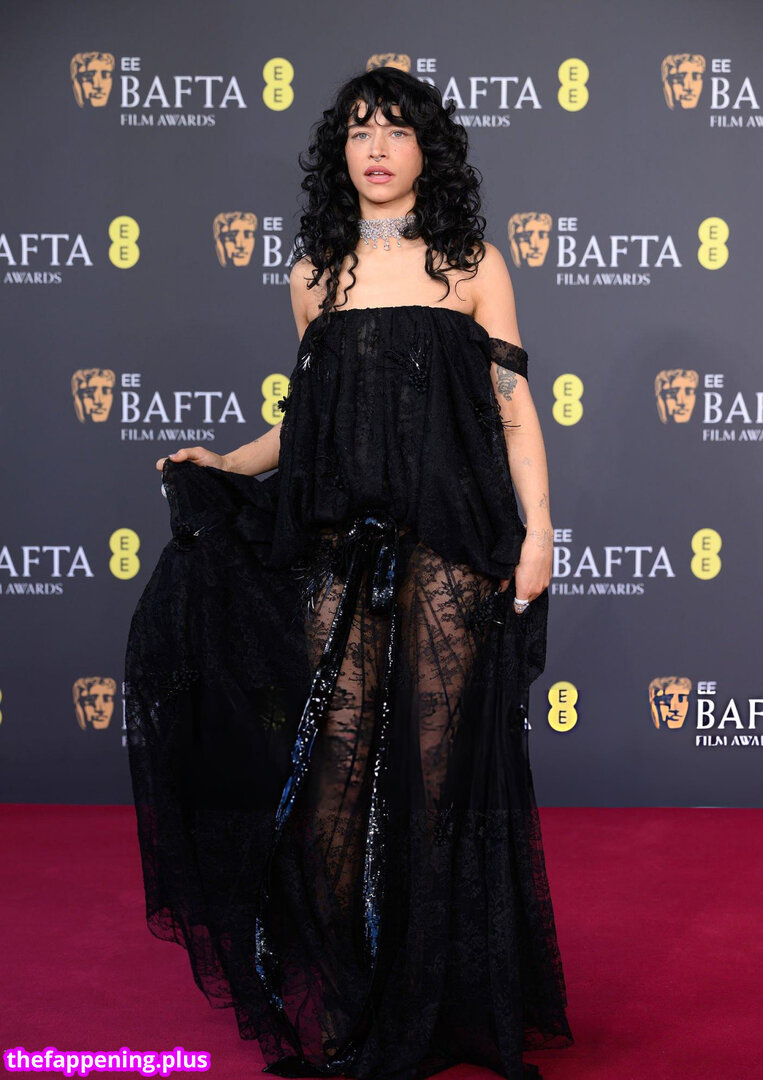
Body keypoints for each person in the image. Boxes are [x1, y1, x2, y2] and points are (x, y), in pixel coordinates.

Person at [124, 66, 574, 1080]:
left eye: (397, 129)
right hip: (336, 544)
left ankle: (433, 1002)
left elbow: (513, 414)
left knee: (433, 783)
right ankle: (346, 992)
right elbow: (307, 426)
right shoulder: (313, 276)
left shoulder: (472, 265)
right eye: (360, 129)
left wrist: (539, 530)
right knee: (329, 777)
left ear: (427, 151)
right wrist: (223, 463)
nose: (376, 147)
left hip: (452, 550)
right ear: (340, 151)